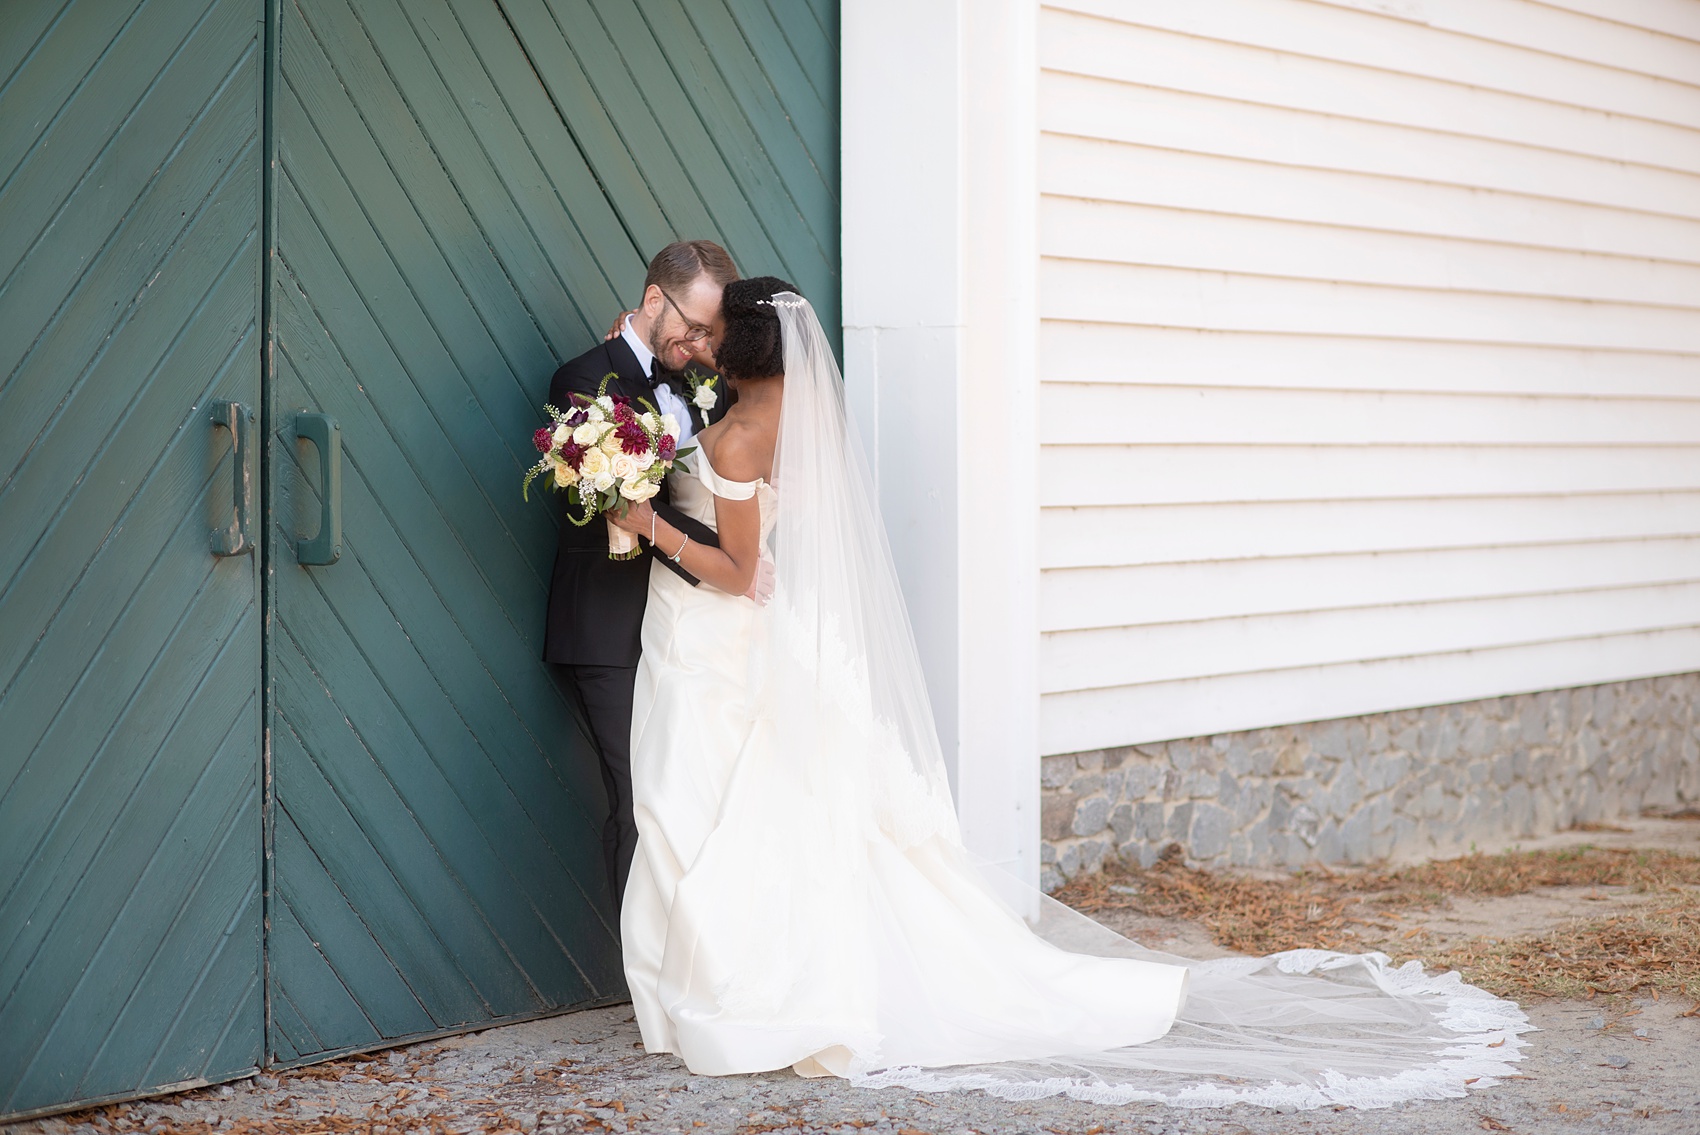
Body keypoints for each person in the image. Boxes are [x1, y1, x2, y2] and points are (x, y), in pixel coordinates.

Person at [606, 278, 1533, 1109]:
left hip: (736, 629)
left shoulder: (736, 431)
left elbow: (740, 570)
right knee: (804, 815)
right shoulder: (796, 416)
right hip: (785, 635)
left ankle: (774, 979)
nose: (704, 338)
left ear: (741, 346)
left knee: (744, 805)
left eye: (716, 327)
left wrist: (647, 521)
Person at [542, 239, 737, 913]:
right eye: (693, 325)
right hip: (612, 627)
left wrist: (696, 349)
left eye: (712, 332)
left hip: (690, 627)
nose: (699, 341)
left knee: (693, 796)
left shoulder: (702, 383)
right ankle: (642, 987)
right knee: (641, 800)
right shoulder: (582, 378)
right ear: (653, 300)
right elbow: (599, 502)